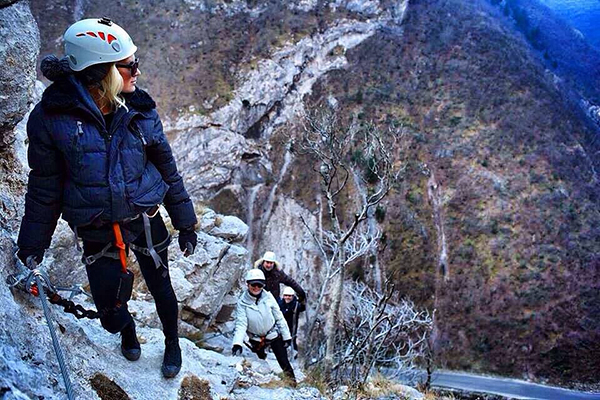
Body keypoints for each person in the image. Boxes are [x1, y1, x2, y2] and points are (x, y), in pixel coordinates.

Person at [15, 17, 198, 379]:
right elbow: (45, 186)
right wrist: (31, 246)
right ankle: (126, 329)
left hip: (143, 214)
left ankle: (172, 342)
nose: (137, 72)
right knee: (109, 307)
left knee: (162, 286)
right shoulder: (52, 119)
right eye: (129, 65)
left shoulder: (140, 109)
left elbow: (166, 166)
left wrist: (186, 221)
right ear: (101, 71)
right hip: (96, 222)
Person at [232, 269, 296, 385]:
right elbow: (241, 324)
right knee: (259, 360)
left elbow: (279, 317)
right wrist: (237, 343)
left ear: (263, 285)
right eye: (253, 284)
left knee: (283, 360)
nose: (256, 287)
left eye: (259, 285)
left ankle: (292, 384)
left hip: (273, 333)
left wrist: (286, 336)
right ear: (248, 284)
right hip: (256, 338)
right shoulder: (242, 302)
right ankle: (263, 382)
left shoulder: (268, 297)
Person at [278, 286, 305, 353]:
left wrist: (302, 298)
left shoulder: (296, 304)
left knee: (292, 342)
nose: (287, 297)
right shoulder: (280, 304)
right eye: (286, 295)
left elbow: (303, 307)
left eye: (289, 296)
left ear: (292, 296)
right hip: (281, 326)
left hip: (292, 327)